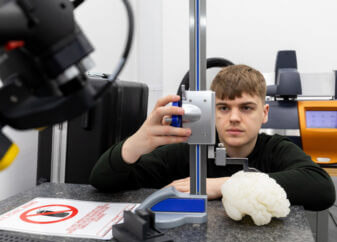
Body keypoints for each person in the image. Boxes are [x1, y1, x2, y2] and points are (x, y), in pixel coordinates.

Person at [89, 64, 335, 211]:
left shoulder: (274, 149)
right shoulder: (188, 150)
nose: (235, 118)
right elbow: (102, 179)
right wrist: (137, 142)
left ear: (265, 113)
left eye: (246, 108)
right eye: (224, 108)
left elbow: (322, 190)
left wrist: (223, 184)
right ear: (212, 111)